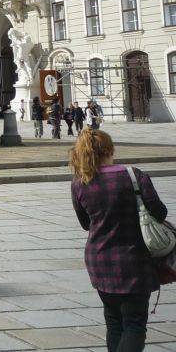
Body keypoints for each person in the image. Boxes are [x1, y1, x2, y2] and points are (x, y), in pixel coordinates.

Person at [71, 129, 168, 352]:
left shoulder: (80, 182)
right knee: (134, 324)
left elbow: (86, 223)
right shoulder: (133, 175)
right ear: (110, 150)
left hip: (99, 260)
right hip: (134, 260)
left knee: (113, 321)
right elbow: (160, 212)